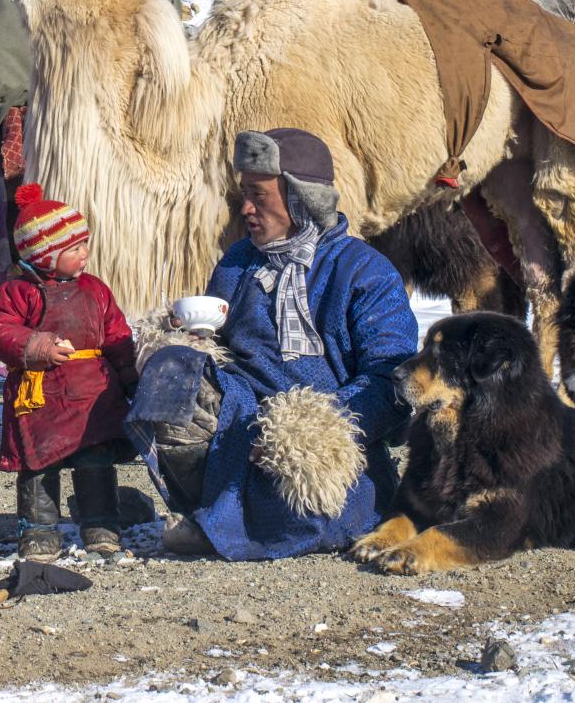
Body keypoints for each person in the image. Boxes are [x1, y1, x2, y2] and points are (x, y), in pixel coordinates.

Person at [127, 128, 417, 561]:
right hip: (240, 414)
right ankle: (205, 511)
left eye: (259, 196)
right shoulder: (239, 261)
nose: (245, 209)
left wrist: (311, 431)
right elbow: (216, 341)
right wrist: (181, 336)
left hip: (327, 434)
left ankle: (227, 527)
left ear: (303, 198)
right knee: (172, 370)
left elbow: (392, 378)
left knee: (313, 511)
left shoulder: (364, 271)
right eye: (244, 194)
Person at [0, 184, 137, 560]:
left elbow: (116, 333)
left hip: (91, 393)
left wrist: (130, 374)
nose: (85, 254)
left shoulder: (95, 289)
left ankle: (101, 525)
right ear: (45, 256)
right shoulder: (19, 292)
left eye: (85, 244)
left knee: (95, 457)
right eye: (73, 249)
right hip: (42, 395)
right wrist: (35, 346)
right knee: (39, 461)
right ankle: (38, 532)